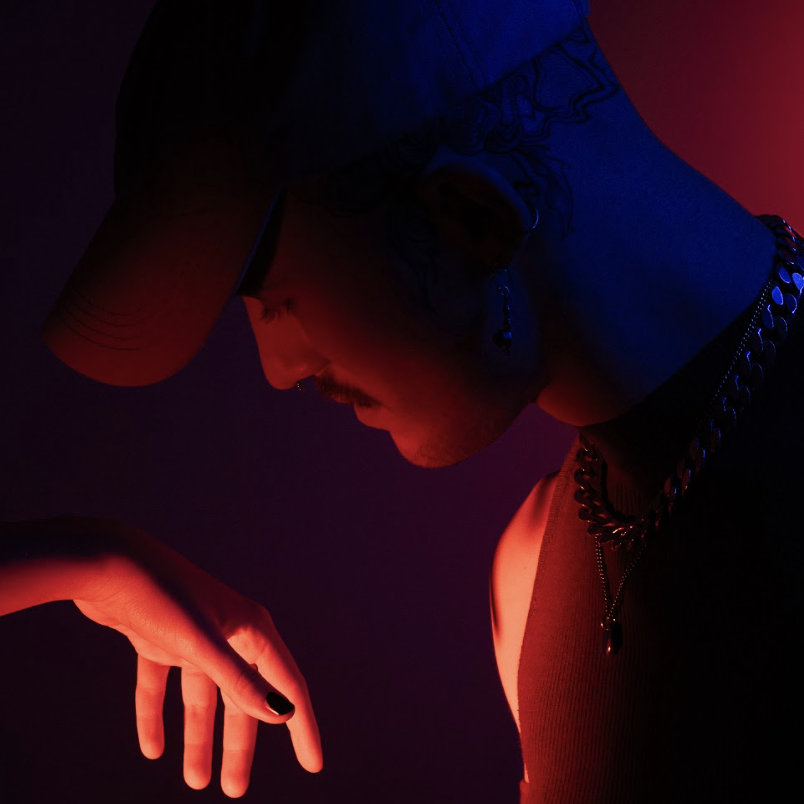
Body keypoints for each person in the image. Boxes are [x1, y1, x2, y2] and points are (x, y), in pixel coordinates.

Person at [2, 0, 802, 800]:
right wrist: (83, 560)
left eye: (274, 299)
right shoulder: (532, 573)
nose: (279, 370)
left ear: (473, 218)